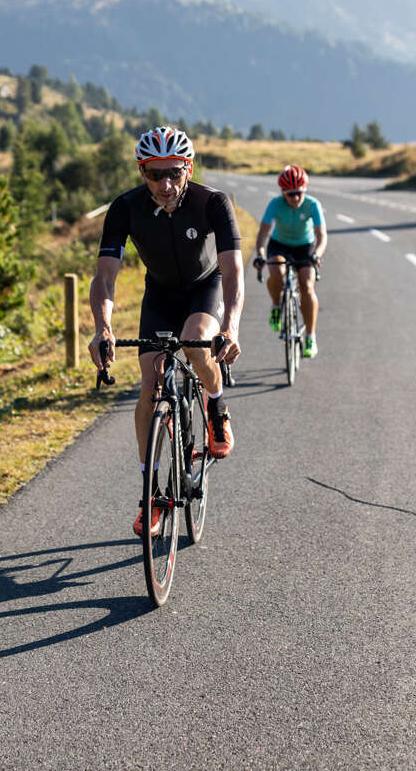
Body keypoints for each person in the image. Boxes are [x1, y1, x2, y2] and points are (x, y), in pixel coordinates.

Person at [88, 126, 244, 536]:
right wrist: (102, 329)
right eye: (155, 174)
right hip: (159, 295)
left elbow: (232, 271)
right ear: (143, 173)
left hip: (204, 289)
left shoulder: (212, 203)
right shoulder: (126, 208)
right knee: (150, 380)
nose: (165, 183)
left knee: (196, 346)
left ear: (188, 169)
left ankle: (216, 406)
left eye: (174, 172)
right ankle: (151, 496)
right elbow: (105, 277)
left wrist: (230, 326)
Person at [252, 165, 327, 358]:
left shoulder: (312, 205)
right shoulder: (275, 204)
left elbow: (321, 236)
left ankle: (310, 336)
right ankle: (276, 306)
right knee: (276, 270)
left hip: (305, 245)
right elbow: (263, 235)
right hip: (280, 244)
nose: (295, 198)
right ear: (283, 193)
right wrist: (260, 253)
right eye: (290, 194)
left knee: (307, 284)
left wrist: (317, 253)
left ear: (304, 191)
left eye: (298, 193)